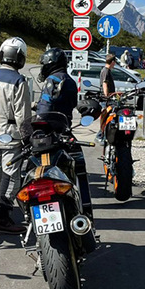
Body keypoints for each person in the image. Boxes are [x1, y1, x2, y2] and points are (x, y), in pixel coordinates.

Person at [0, 37, 32, 235]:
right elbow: (23, 116)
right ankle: (3, 216)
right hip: (11, 136)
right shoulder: (19, 81)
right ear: (20, 58)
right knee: (10, 176)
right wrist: (27, 138)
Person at [36, 47, 94, 225]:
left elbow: (44, 110)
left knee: (38, 173)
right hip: (66, 131)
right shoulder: (69, 80)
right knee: (79, 171)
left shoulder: (53, 80)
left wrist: (37, 121)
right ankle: (86, 213)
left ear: (50, 64)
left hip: (49, 133)